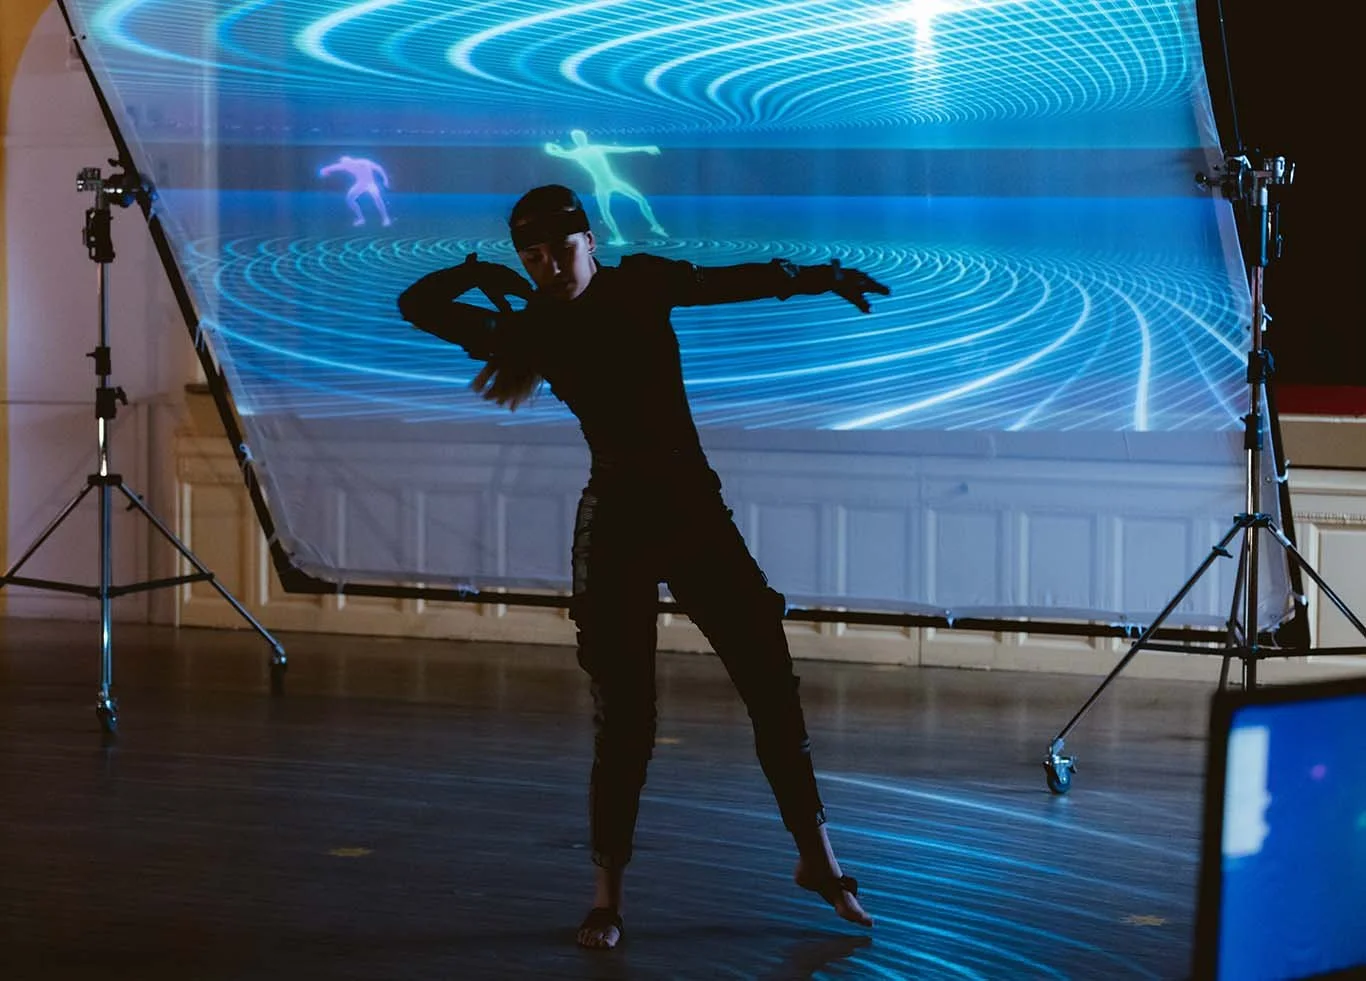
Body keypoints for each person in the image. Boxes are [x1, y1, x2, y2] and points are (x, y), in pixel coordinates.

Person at [396, 185, 889, 950]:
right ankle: (606, 897)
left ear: (589, 239)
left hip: (695, 516)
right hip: (617, 529)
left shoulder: (644, 285)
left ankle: (818, 862)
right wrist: (470, 268)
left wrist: (819, 275)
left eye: (560, 248)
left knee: (769, 683)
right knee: (626, 720)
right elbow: (417, 305)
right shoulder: (535, 330)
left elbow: (732, 282)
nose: (550, 265)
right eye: (531, 256)